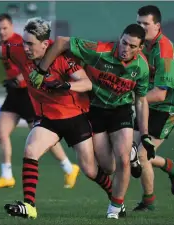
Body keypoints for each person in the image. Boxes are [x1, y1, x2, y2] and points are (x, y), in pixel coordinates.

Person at [0, 17, 119, 219]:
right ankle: (29, 206)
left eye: (31, 43)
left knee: (90, 170)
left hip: (75, 117)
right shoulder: (19, 51)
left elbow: (86, 83)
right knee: (30, 149)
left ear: (45, 44)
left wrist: (65, 86)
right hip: (47, 118)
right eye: (25, 42)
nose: (26, 47)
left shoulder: (63, 57)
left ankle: (116, 199)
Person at [34, 24, 156, 219]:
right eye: (124, 43)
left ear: (140, 48)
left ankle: (114, 209)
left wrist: (145, 135)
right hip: (96, 110)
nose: (126, 49)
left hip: (121, 111)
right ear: (119, 38)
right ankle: (130, 152)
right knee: (108, 168)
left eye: (133, 46)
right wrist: (41, 71)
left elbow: (140, 101)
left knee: (123, 159)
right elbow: (61, 42)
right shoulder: (99, 51)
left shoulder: (141, 68)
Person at [0, 13, 80, 190]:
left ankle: (68, 167)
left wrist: (18, 80)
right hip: (14, 95)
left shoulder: (21, 41)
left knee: (42, 138)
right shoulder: (6, 44)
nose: (2, 32)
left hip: (28, 95)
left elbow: (29, 66)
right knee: (1, 134)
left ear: (11, 26)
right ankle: (6, 176)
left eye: (4, 28)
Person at [129, 5, 174, 212]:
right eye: (139, 23)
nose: (141, 27)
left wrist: (127, 98)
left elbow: (161, 94)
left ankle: (149, 202)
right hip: (148, 103)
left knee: (141, 156)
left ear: (157, 26)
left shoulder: (164, 50)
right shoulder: (139, 45)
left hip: (168, 107)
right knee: (131, 153)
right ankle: (173, 167)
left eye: (146, 24)